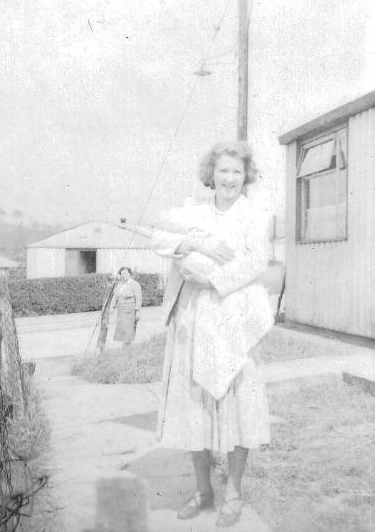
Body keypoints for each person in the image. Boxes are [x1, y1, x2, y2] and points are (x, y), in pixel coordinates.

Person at [148, 141, 273, 528]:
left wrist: (211, 278)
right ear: (211, 174)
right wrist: (189, 243)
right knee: (195, 407)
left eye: (237, 171)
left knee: (238, 405)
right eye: (223, 171)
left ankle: (232, 491)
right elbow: (157, 236)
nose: (230, 178)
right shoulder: (196, 212)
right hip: (193, 319)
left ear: (245, 176)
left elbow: (257, 261)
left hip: (234, 319)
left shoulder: (254, 215)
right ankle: (203, 490)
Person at [112, 267, 142, 347]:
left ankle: (128, 347)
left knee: (128, 329)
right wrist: (113, 306)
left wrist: (138, 311)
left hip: (130, 310)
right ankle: (125, 346)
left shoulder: (135, 284)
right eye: (122, 274)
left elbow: (138, 298)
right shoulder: (120, 284)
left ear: (130, 274)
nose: (123, 275)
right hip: (121, 310)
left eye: (125, 274)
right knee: (121, 329)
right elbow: (115, 296)